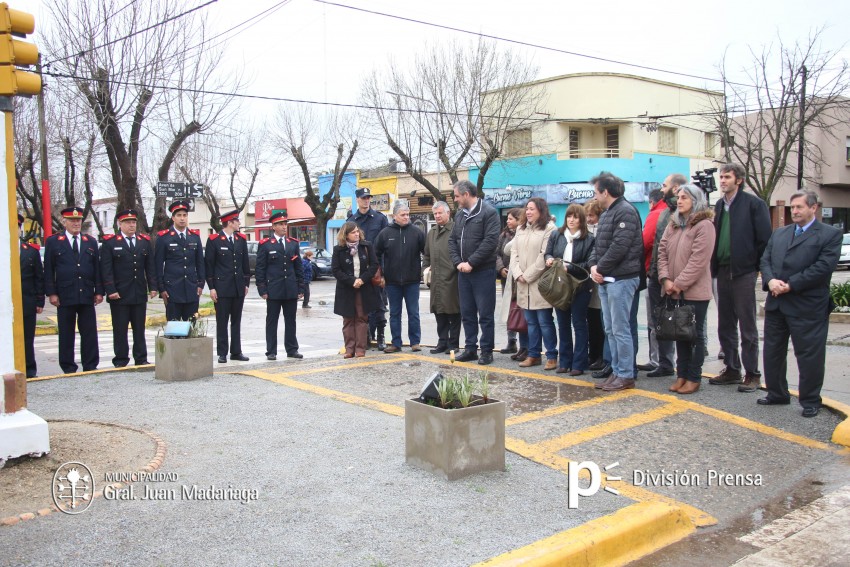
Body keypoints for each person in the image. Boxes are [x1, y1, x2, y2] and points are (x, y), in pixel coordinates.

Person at [759, 191, 841, 418]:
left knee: (809, 356)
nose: (794, 211)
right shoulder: (780, 234)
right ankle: (777, 393)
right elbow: (765, 259)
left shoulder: (830, 235)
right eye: (792, 207)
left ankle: (811, 400)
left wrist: (791, 285)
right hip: (776, 303)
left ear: (813, 208)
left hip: (807, 306)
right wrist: (771, 280)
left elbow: (823, 268)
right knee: (773, 352)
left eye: (799, 207)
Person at [708, 163, 772, 392]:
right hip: (722, 270)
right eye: (721, 177)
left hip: (743, 272)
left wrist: (756, 267)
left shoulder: (754, 205)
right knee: (725, 325)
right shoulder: (719, 205)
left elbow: (765, 240)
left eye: (727, 177)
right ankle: (732, 369)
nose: (722, 181)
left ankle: (753, 373)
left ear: (739, 180)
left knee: (747, 326)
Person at [657, 185, 716, 395]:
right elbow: (662, 252)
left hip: (694, 292)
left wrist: (679, 284)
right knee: (679, 335)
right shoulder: (673, 224)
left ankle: (693, 377)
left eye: (684, 197)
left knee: (694, 335)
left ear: (696, 200)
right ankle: (681, 374)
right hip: (672, 289)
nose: (679, 201)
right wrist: (665, 279)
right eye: (678, 197)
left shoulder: (704, 225)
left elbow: (698, 261)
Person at [589, 172, 643, 392]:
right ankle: (617, 371)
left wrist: (600, 268)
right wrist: (593, 267)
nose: (594, 197)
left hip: (621, 279)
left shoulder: (626, 212)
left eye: (596, 192)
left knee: (621, 329)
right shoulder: (607, 213)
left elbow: (619, 247)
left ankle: (626, 374)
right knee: (610, 329)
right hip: (605, 280)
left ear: (605, 192)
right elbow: (598, 246)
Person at [43, 206, 103, 373]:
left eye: (78, 220)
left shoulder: (90, 241)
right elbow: (49, 269)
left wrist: (99, 291)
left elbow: (96, 268)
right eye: (72, 220)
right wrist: (52, 293)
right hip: (65, 294)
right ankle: (68, 366)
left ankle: (90, 365)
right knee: (66, 333)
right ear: (64, 222)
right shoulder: (54, 242)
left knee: (89, 333)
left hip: (86, 293)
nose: (76, 223)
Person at [449, 180, 501, 365]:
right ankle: (470, 348)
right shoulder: (460, 216)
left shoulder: (489, 213)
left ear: (466, 194)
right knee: (467, 313)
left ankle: (486, 350)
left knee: (485, 314)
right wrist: (458, 263)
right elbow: (452, 241)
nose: (455, 200)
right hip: (464, 272)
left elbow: (490, 242)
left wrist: (471, 262)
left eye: (456, 196)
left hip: (483, 271)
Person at [99, 209, 157, 367]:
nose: (131, 225)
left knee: (139, 328)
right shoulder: (111, 243)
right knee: (120, 329)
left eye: (133, 222)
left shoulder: (143, 241)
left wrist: (153, 286)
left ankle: (141, 358)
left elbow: (149, 266)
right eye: (127, 223)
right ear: (120, 224)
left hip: (138, 292)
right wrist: (110, 290)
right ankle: (121, 359)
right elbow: (106, 269)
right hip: (120, 294)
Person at [642, 175, 686, 378]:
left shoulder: (685, 214)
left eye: (665, 185)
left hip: (679, 277)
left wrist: (673, 278)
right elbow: (659, 246)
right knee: (659, 320)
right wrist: (658, 275)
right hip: (657, 275)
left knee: (685, 323)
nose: (662, 188)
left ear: (675, 188)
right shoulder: (663, 214)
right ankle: (664, 362)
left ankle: (688, 370)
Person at [545, 204, 595, 375]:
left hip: (580, 286)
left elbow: (589, 264)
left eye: (575, 217)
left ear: (581, 219)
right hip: (560, 286)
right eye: (569, 216)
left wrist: (569, 268)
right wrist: (549, 259)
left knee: (579, 324)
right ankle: (565, 361)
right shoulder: (557, 235)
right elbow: (548, 252)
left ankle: (579, 364)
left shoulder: (589, 239)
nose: (571, 220)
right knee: (563, 324)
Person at [510, 197, 557, 369]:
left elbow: (544, 256)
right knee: (530, 322)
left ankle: (552, 355)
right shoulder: (521, 229)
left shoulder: (549, 229)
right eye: (527, 209)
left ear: (541, 211)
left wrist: (527, 276)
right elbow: (513, 253)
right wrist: (518, 274)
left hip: (539, 284)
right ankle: (534, 354)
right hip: (522, 283)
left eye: (532, 209)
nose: (528, 212)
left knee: (545, 321)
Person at [374, 201, 425, 353]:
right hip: (392, 282)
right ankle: (396, 343)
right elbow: (376, 255)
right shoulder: (385, 233)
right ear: (394, 216)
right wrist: (381, 274)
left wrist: (422, 271)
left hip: (412, 281)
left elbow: (426, 253)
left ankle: (415, 342)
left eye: (408, 214)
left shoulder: (417, 232)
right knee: (395, 313)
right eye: (403, 215)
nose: (406, 217)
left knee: (413, 313)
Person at [256, 211, 304, 361]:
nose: (284, 227)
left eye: (285, 224)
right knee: (272, 321)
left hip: (290, 288)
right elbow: (260, 268)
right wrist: (262, 289)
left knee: (291, 320)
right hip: (273, 289)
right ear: (274, 226)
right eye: (281, 224)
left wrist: (301, 287)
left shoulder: (293, 243)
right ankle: (271, 351)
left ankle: (292, 349)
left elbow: (298, 267)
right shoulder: (265, 245)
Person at [204, 209, 251, 363]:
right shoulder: (214, 240)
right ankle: (222, 352)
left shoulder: (241, 239)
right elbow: (209, 265)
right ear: (230, 223)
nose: (239, 223)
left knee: (236, 321)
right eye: (237, 221)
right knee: (222, 321)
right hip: (222, 288)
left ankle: (236, 351)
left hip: (238, 287)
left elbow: (245, 264)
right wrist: (211, 287)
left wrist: (246, 283)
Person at [347, 187, 389, 350]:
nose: (366, 200)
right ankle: (366, 336)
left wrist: (384, 273)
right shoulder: (351, 221)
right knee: (361, 306)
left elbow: (386, 248)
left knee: (379, 305)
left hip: (377, 269)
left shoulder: (380, 219)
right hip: (359, 270)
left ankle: (380, 336)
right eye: (363, 198)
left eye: (368, 198)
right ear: (357, 199)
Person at [332, 222, 380, 358]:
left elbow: (374, 265)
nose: (357, 234)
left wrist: (362, 280)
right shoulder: (338, 249)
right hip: (346, 289)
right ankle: (349, 349)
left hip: (363, 288)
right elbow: (336, 270)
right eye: (353, 232)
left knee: (361, 318)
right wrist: (352, 281)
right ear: (346, 235)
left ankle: (360, 349)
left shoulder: (366, 246)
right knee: (348, 319)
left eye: (358, 231)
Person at [155, 201, 205, 321]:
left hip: (191, 288)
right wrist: (161, 288)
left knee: (192, 328)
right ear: (173, 218)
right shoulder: (164, 238)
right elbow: (158, 264)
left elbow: (200, 263)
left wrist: (200, 283)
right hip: (172, 289)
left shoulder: (194, 237)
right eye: (179, 215)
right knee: (174, 329)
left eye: (185, 215)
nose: (182, 218)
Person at [422, 201, 461, 354]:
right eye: (435, 214)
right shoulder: (431, 233)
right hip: (436, 280)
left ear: (448, 213)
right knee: (439, 312)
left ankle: (454, 343)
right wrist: (425, 270)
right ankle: (442, 342)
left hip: (452, 279)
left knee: (454, 312)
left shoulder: (456, 230)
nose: (437, 216)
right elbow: (426, 255)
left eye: (440, 213)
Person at [497, 208, 528, 361]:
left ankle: (526, 347)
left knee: (523, 313)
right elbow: (497, 253)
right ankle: (512, 342)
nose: (508, 221)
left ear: (518, 219)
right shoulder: (503, 236)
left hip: (521, 278)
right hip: (507, 279)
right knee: (511, 311)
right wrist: (501, 268)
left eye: (511, 219)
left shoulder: (524, 234)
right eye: (507, 219)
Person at [18, 214, 44, 378]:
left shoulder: (30, 252)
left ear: (20, 229)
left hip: (27, 301)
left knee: (28, 338)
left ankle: (29, 369)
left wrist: (39, 300)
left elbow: (38, 278)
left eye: (17, 227)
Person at [584, 200, 607, 374]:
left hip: (600, 281)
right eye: (587, 216)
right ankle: (593, 354)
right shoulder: (586, 231)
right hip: (589, 283)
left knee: (601, 323)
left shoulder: (602, 230)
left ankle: (601, 356)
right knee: (591, 321)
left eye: (591, 215)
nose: (589, 219)